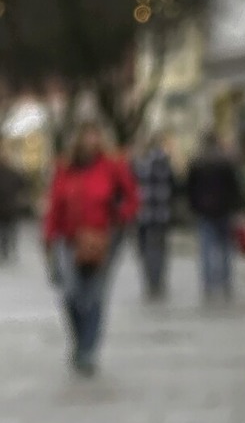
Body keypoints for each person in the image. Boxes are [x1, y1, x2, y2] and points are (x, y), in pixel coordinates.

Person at [44, 122, 139, 376]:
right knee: (71, 294)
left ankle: (88, 350)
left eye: (95, 135)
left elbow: (132, 198)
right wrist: (49, 236)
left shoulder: (112, 167)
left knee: (94, 296)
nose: (91, 141)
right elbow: (54, 204)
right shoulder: (65, 168)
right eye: (86, 135)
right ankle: (78, 340)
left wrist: (119, 217)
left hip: (101, 239)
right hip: (68, 239)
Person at [186, 132, 245, 302]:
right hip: (224, 210)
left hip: (204, 211)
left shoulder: (197, 162)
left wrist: (194, 207)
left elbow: (190, 188)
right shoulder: (225, 162)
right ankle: (225, 282)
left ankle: (208, 283)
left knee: (206, 249)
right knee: (225, 249)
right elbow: (234, 187)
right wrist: (237, 207)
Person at [132, 133, 175, 300]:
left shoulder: (142, 164)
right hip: (162, 213)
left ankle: (151, 281)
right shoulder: (165, 163)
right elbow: (174, 186)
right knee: (161, 250)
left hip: (145, 214)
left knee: (147, 250)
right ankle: (159, 281)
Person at [0, 145, 24, 262]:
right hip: (10, 207)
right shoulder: (13, 173)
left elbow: (21, 185)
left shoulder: (13, 173)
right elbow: (22, 185)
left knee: (7, 231)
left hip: (8, 207)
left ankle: (6, 250)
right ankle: (8, 250)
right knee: (9, 231)